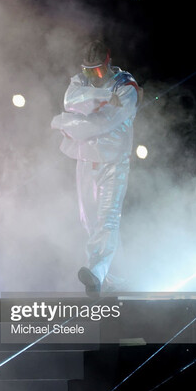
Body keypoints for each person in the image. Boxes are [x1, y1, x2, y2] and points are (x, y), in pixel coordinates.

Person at [50, 40, 141, 295]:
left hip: (113, 164)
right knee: (89, 222)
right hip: (85, 161)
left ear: (108, 63)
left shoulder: (126, 87)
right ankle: (117, 277)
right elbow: (71, 100)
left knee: (107, 221)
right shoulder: (83, 81)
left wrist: (64, 124)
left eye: (98, 72)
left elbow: (99, 125)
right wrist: (101, 97)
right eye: (88, 71)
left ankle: (96, 274)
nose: (93, 77)